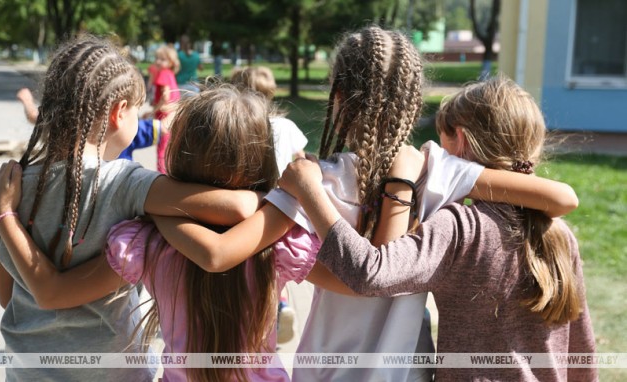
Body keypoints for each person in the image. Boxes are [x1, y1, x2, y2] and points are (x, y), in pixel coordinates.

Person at [150, 26, 579, 382]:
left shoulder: (317, 180)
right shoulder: (440, 169)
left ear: (337, 97)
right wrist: (406, 180)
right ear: (414, 101)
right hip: (406, 369)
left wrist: (151, 200)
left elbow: (225, 251)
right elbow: (561, 197)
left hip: (327, 367)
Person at [278, 76, 597, 381]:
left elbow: (369, 273)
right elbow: (581, 350)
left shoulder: (461, 229)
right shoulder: (558, 234)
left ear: (460, 138)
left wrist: (310, 191)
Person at [0, 35, 260, 382]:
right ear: (119, 112)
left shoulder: (7, 191)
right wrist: (155, 215)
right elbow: (237, 206)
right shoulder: (126, 184)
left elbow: (6, 296)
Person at [230, 65, 308, 343]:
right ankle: (280, 306)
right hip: (282, 207)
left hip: (248, 206)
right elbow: (301, 160)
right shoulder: (286, 127)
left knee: (250, 265)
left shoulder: (238, 128)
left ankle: (255, 318)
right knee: (276, 264)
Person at [16, 87, 165, 162]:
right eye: (136, 108)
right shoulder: (129, 180)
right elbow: (165, 128)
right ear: (119, 112)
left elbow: (35, 116)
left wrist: (28, 101)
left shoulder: (64, 121)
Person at [230, 66, 308, 175]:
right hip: (280, 188)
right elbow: (301, 159)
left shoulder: (235, 126)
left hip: (245, 188)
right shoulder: (285, 125)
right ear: (270, 92)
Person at [151, 44, 181, 173]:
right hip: (173, 114)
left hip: (164, 115)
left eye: (162, 59)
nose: (158, 61)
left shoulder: (162, 73)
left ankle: (162, 176)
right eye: (157, 58)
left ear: (171, 62)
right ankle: (169, 172)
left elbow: (165, 96)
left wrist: (153, 110)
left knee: (161, 149)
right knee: (168, 147)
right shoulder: (169, 73)